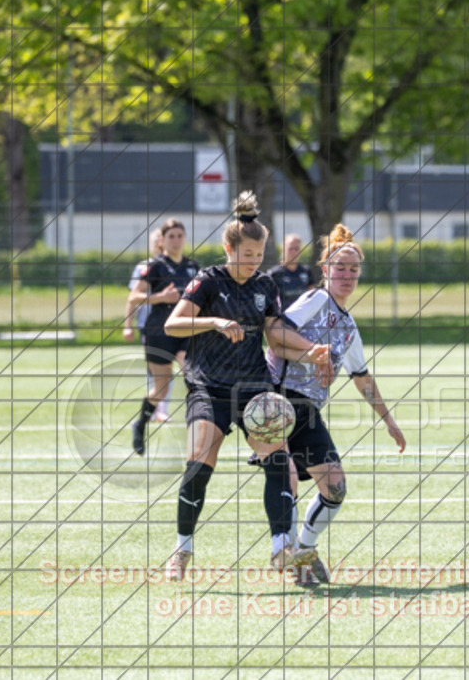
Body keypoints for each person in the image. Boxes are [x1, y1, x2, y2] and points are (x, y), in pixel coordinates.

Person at [161, 192, 330, 580]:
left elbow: (275, 337)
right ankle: (182, 547)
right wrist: (214, 322)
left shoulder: (265, 286)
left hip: (255, 389)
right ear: (228, 248)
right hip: (208, 387)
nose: (254, 262)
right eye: (247, 254)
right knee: (199, 464)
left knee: (278, 460)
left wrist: (309, 355)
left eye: (259, 255)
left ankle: (280, 549)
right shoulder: (207, 281)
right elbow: (173, 325)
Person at [264, 223, 406, 586]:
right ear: (325, 270)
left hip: (309, 412)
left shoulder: (349, 326)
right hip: (281, 401)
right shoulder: (317, 300)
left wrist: (389, 421)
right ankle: (286, 552)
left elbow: (362, 377)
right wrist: (313, 354)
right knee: (289, 479)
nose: (346, 274)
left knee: (335, 488)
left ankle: (304, 551)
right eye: (339, 267)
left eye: (353, 269)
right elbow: (276, 332)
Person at [127, 222, 199, 437]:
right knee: (161, 388)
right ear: (163, 240)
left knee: (193, 378)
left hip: (185, 331)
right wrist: (162, 297)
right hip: (158, 332)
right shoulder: (154, 266)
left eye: (179, 235)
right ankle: (140, 424)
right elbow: (134, 297)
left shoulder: (193, 267)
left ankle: (198, 427)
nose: (176, 240)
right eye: (171, 236)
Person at [124, 229, 168, 421]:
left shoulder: (181, 267)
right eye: (157, 240)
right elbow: (132, 299)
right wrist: (128, 325)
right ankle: (153, 410)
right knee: (156, 369)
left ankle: (162, 409)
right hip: (150, 326)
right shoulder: (144, 267)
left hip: (173, 326)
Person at [268, 234, 314, 311]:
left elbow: (312, 297)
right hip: (283, 318)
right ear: (283, 250)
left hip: (303, 317)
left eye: (297, 249)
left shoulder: (306, 271)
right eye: (290, 248)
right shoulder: (274, 273)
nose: (293, 252)